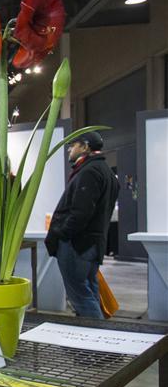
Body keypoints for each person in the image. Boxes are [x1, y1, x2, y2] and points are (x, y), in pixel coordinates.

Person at [45, 131, 119, 319]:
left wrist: (62, 233)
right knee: (89, 291)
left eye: (73, 145)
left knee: (81, 296)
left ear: (85, 146)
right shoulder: (105, 171)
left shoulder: (89, 172)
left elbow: (81, 213)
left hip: (78, 244)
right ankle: (97, 339)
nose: (70, 149)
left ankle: (95, 339)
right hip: (91, 244)